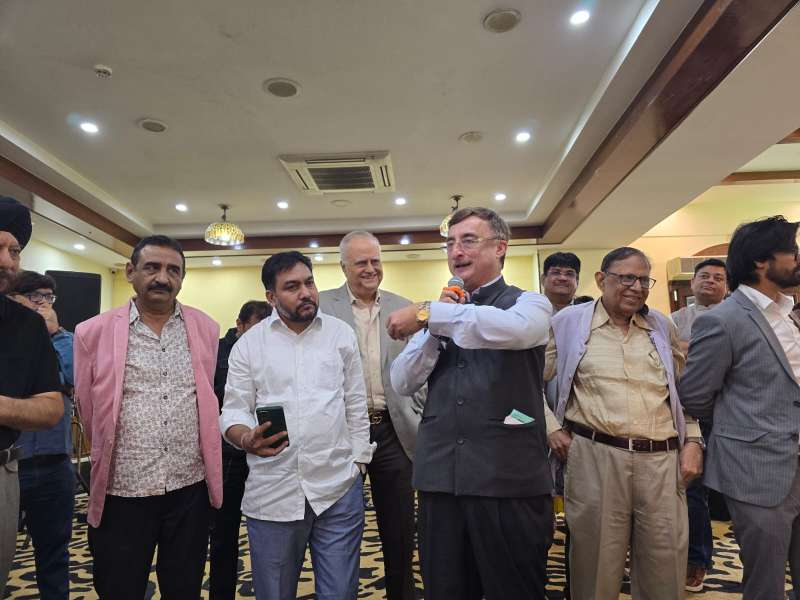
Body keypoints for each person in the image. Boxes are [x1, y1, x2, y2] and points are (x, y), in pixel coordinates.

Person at [388, 207, 553, 600]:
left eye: (468, 240)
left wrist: (433, 312)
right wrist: (432, 327)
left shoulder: (529, 303)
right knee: (445, 589)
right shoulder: (438, 314)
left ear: (500, 248)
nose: (456, 251)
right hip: (441, 480)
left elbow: (517, 331)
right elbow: (402, 381)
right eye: (450, 244)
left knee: (514, 590)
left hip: (507, 479)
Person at [543, 246, 704, 600]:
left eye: (644, 280)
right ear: (602, 279)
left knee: (666, 567)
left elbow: (681, 392)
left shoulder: (661, 325)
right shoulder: (569, 322)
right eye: (627, 278)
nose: (636, 287)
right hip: (596, 457)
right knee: (595, 568)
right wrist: (550, 426)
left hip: (662, 461)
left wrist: (693, 440)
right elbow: (527, 380)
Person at [73, 235, 222, 600]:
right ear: (130, 272)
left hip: (188, 488)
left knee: (184, 588)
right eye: (152, 267)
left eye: (173, 270)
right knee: (119, 588)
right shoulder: (92, 332)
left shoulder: (206, 328)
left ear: (182, 278)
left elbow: (206, 397)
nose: (162, 278)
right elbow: (87, 409)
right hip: (123, 490)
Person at [220, 251, 374, 600]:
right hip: (274, 491)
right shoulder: (249, 345)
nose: (306, 293)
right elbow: (233, 411)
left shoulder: (340, 334)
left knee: (341, 593)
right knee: (274, 592)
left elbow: (355, 404)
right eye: (292, 287)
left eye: (309, 282)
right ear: (271, 297)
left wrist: (358, 463)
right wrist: (246, 438)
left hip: (338, 487)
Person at [680, 216, 800, 600]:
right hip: (756, 468)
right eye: (791, 251)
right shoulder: (723, 320)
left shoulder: (788, 313)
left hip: (796, 459)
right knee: (766, 580)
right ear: (762, 261)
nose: (797, 259)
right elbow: (695, 396)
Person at [319, 230, 424, 600]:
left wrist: (420, 409)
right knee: (338, 528)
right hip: (342, 432)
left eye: (375, 261)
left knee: (400, 529)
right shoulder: (321, 306)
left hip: (394, 431)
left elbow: (422, 365)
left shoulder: (404, 307)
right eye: (361, 262)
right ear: (343, 267)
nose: (370, 269)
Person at [0, 197, 63, 595]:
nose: (6, 261)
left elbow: (51, 407)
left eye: (14, 251)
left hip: (5, 470)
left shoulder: (26, 326)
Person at [9, 271, 75, 600]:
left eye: (48, 297)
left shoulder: (66, 339)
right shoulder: (7, 337)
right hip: (9, 464)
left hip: (54, 462)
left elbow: (75, 378)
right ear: (13, 299)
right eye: (34, 297)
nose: (43, 304)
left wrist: (54, 334)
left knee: (54, 554)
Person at [670, 257, 727, 593]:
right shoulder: (674, 320)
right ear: (692, 283)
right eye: (704, 276)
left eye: (718, 277)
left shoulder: (735, 317)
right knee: (691, 488)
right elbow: (670, 354)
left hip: (727, 413)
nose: (710, 281)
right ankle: (694, 559)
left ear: (727, 285)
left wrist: (688, 348)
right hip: (687, 412)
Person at [209, 299, 271, 600]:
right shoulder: (217, 352)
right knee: (224, 533)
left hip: (267, 454)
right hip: (227, 455)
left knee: (270, 532)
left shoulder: (273, 350)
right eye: (255, 328)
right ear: (240, 325)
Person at [539, 251, 581, 598]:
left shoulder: (587, 320)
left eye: (569, 273)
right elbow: (524, 382)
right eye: (556, 272)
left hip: (581, 435)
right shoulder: (529, 317)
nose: (562, 278)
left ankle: (575, 587)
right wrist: (549, 426)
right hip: (534, 432)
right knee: (537, 518)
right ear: (544, 279)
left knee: (581, 520)